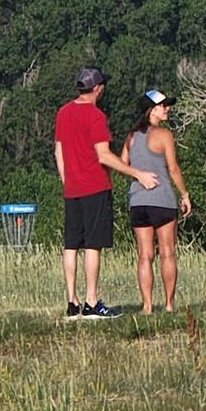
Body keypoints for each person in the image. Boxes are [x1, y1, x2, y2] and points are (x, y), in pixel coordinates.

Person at [54, 67, 159, 320]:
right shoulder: (95, 116)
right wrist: (137, 173)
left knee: (71, 245)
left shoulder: (63, 112)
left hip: (73, 189)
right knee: (93, 244)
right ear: (98, 88)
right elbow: (103, 155)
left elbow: (58, 150)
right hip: (95, 187)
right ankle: (91, 302)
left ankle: (71, 302)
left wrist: (67, 181)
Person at [124, 88, 192, 314]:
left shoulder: (131, 137)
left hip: (138, 201)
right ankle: (169, 304)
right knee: (167, 252)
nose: (167, 109)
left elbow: (123, 164)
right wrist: (184, 194)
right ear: (151, 110)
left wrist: (138, 175)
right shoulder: (164, 136)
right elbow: (173, 169)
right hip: (162, 199)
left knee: (144, 255)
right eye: (163, 105)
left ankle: (147, 305)